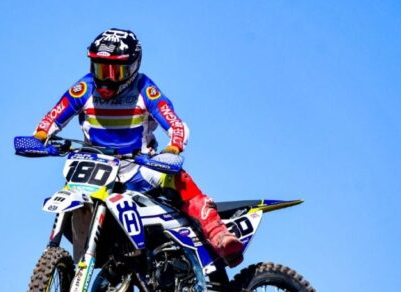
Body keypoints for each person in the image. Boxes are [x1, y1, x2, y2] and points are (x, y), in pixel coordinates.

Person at [31, 28, 243, 267]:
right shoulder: (84, 87)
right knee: (71, 192)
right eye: (101, 68)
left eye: (115, 70)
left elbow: (174, 123)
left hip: (139, 166)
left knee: (178, 178)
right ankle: (85, 259)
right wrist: (40, 137)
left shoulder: (145, 89)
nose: (107, 78)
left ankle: (219, 234)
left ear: (133, 67)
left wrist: (173, 148)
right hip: (94, 167)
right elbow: (54, 116)